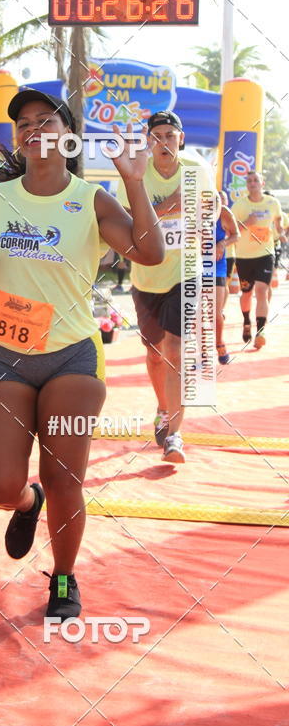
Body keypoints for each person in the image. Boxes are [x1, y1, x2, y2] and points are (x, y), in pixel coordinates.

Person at [0, 90, 164, 622]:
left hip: (71, 356)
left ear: (66, 134)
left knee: (64, 477)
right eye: (24, 123)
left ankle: (66, 578)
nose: (32, 130)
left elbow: (150, 252)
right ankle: (27, 503)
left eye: (44, 121)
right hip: (3, 353)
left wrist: (135, 182)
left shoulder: (91, 198)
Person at [116, 110, 210, 464]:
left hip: (185, 273)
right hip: (146, 276)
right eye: (157, 137)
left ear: (180, 139)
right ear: (148, 141)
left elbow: (204, 213)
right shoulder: (136, 171)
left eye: (170, 135)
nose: (164, 142)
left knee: (175, 350)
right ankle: (162, 405)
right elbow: (129, 220)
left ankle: (174, 434)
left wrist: (157, 210)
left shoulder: (197, 171)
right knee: (155, 354)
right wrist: (171, 204)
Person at [231, 172, 284, 349]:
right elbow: (231, 230)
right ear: (247, 185)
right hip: (245, 256)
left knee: (262, 290)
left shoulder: (272, 203)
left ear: (262, 183)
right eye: (249, 181)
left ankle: (260, 331)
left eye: (255, 180)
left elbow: (278, 222)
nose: (252, 183)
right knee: (246, 293)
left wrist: (281, 233)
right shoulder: (240, 206)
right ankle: (247, 321)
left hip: (265, 253)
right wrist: (247, 222)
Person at [214, 192, 239, 364]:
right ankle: (192, 349)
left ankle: (219, 342)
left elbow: (236, 235)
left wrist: (222, 243)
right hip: (194, 266)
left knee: (215, 313)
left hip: (217, 267)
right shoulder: (192, 209)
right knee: (192, 313)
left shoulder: (223, 212)